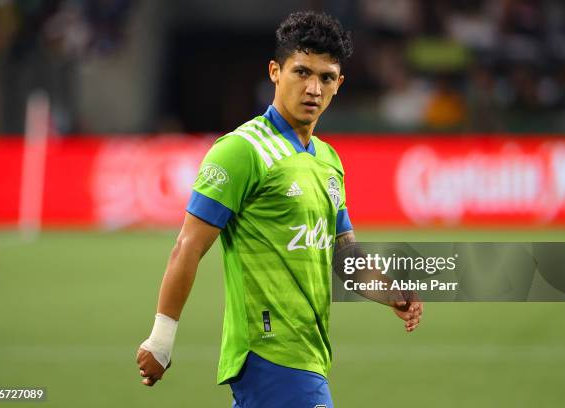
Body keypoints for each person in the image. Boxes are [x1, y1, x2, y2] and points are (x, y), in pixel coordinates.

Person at [136, 10, 423, 407]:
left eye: (325, 77)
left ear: (339, 84)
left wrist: (390, 292)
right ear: (275, 71)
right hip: (269, 351)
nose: (313, 88)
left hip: (310, 354)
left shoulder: (328, 160)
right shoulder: (242, 150)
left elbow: (345, 254)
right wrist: (161, 338)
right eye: (301, 72)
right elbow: (188, 245)